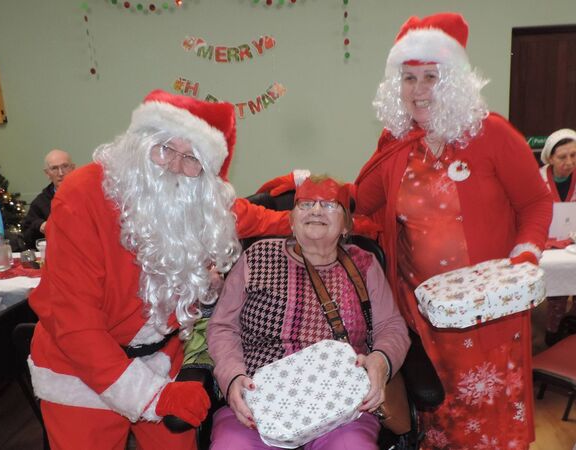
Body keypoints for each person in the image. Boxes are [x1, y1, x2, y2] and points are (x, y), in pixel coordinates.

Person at [354, 13, 552, 449]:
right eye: (409, 78)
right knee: (436, 417)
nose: (418, 89)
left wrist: (524, 254)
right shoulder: (397, 143)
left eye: (431, 77)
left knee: (489, 418)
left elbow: (536, 201)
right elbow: (359, 204)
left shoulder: (492, 134)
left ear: (454, 81)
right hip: (422, 315)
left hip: (488, 312)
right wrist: (309, 193)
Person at [28, 90, 241, 450]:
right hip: (80, 370)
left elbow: (251, 217)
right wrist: (149, 398)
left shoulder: (199, 204)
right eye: (165, 148)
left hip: (161, 359)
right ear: (139, 143)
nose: (174, 165)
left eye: (191, 158)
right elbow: (73, 320)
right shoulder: (82, 194)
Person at [207, 176, 410, 449]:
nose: (315, 210)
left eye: (328, 204)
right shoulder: (257, 256)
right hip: (259, 403)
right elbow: (223, 327)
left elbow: (392, 328)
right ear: (291, 220)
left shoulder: (365, 264)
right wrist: (233, 377)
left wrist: (381, 361)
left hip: (341, 406)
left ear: (346, 225)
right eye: (305, 204)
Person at [539, 128, 576, 346]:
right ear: (550, 158)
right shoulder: (536, 180)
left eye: (574, 155)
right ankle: (553, 333)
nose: (569, 162)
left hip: (572, 241)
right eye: (562, 157)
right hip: (545, 242)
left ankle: (571, 323)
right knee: (558, 285)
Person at [21, 149, 75, 249]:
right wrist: (39, 226)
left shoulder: (88, 195)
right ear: (47, 173)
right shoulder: (40, 202)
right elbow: (27, 238)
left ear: (73, 168)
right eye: (54, 168)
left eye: (65, 166)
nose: (61, 173)